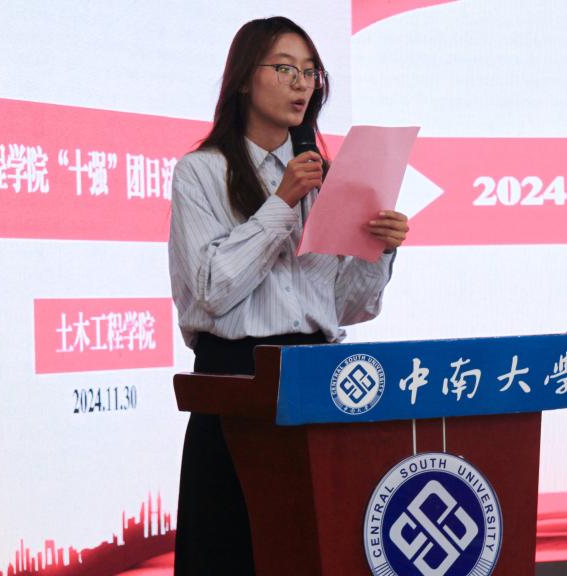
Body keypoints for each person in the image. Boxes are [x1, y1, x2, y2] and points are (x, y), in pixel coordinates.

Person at [168, 16, 409, 575]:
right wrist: (281, 203)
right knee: (233, 551)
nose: (301, 83)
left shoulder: (327, 179)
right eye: (284, 68)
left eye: (310, 72)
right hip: (238, 380)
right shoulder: (201, 172)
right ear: (243, 79)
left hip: (318, 382)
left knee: (313, 551)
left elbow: (347, 306)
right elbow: (210, 291)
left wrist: (379, 249)